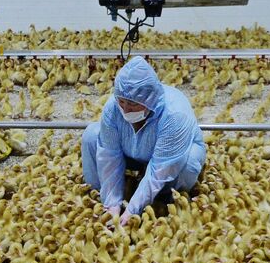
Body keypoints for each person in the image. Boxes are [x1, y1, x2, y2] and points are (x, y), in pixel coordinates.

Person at [82, 56, 207, 228]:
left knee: (190, 162)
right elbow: (109, 155)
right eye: (122, 101)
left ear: (149, 100)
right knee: (91, 135)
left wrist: (133, 210)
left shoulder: (174, 116)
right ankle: (101, 194)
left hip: (169, 159)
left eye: (132, 104)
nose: (125, 109)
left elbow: (160, 169)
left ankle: (165, 197)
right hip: (133, 153)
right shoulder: (113, 108)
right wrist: (112, 204)